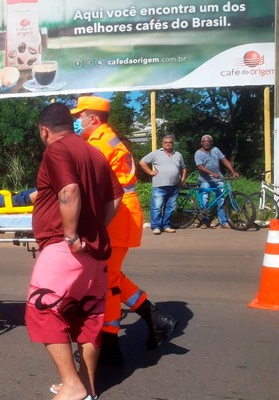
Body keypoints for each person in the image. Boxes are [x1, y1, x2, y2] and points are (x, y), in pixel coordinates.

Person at [25, 102, 123, 400]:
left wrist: (71, 236)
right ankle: (87, 387)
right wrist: (94, 229)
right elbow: (116, 197)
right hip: (94, 252)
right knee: (88, 316)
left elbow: (69, 191)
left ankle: (72, 385)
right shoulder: (95, 152)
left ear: (45, 130)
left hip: (64, 247)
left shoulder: (57, 150)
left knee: (41, 310)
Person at [70, 95, 178, 364]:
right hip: (121, 212)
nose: (76, 121)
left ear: (92, 118)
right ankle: (155, 320)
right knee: (113, 276)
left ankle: (110, 345)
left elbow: (95, 189)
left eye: (78, 116)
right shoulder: (104, 140)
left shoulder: (100, 146)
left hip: (117, 213)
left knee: (107, 282)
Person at [139, 134, 187, 235]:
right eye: (166, 142)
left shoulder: (178, 154)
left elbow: (184, 168)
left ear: (173, 144)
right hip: (159, 186)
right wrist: (150, 172)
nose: (168, 144)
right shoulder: (156, 153)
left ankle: (166, 225)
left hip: (174, 186)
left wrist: (182, 179)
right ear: (162, 143)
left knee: (171, 207)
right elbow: (142, 162)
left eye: (170, 142)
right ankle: (156, 226)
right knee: (157, 207)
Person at [194, 134, 239, 229]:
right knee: (205, 199)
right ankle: (204, 221)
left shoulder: (216, 150)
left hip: (218, 179)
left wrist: (233, 171)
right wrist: (211, 173)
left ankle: (223, 222)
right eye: (204, 141)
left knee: (221, 200)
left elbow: (224, 160)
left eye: (208, 141)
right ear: (201, 143)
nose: (206, 143)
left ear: (211, 143)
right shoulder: (198, 153)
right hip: (205, 180)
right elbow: (200, 166)